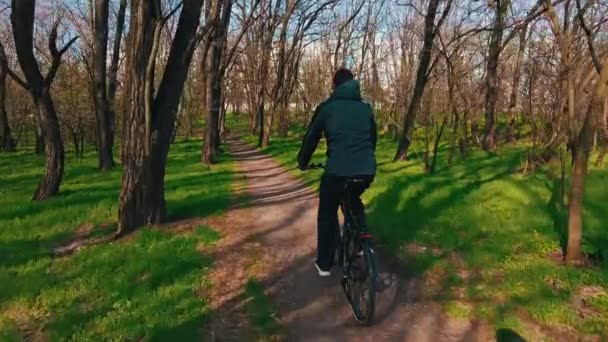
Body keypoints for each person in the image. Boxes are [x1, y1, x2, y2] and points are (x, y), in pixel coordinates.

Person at [297, 68, 377, 277]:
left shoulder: (327, 107)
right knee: (353, 198)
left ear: (335, 85)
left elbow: (311, 137)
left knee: (327, 212)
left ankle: (324, 264)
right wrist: (365, 160)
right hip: (367, 169)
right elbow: (372, 139)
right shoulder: (366, 108)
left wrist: (302, 162)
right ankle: (363, 245)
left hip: (336, 170)